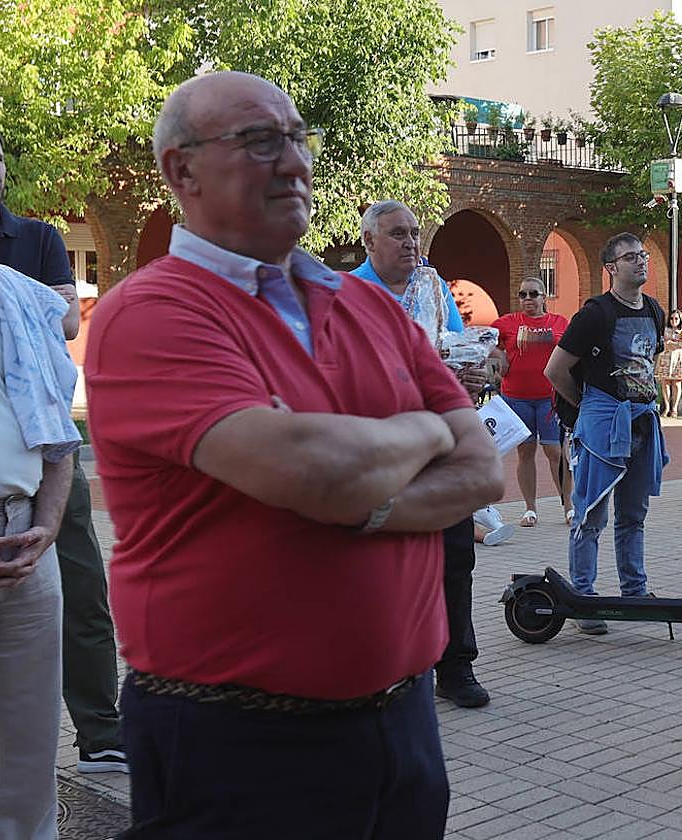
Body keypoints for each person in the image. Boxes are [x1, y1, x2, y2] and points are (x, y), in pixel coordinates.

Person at [84, 72, 503, 837]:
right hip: (235, 740)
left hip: (404, 725)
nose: (293, 161)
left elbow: (481, 469)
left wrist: (361, 500)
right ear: (181, 170)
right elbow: (315, 470)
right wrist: (427, 432)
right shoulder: (151, 311)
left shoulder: (370, 306)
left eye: (297, 138)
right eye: (258, 141)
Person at [0, 120, 125, 774]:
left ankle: (99, 731)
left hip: (46, 450)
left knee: (82, 587)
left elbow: (66, 320)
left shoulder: (35, 238)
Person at [352, 199, 493, 708]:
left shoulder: (433, 288)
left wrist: (473, 374)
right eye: (398, 234)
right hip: (383, 448)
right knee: (385, 563)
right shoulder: (348, 295)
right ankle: (387, 669)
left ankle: (455, 666)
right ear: (369, 240)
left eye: (415, 233)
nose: (411, 243)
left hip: (442, 441)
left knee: (455, 556)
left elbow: (455, 348)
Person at [0, 163, 79, 840]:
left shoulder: (17, 297)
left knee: (29, 743)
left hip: (26, 544)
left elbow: (57, 434)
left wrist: (46, 524)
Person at [544, 232, 667, 635]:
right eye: (632, 257)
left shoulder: (654, 310)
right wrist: (587, 408)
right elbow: (555, 370)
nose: (642, 261)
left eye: (643, 255)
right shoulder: (594, 314)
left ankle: (635, 593)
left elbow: (647, 363)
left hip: (641, 423)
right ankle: (584, 599)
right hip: (603, 427)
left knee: (634, 515)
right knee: (591, 514)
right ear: (611, 268)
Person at [492, 276, 573, 527]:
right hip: (517, 398)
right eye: (523, 294)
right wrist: (498, 360)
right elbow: (484, 340)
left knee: (555, 452)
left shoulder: (559, 322)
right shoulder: (507, 323)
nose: (528, 298)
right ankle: (530, 509)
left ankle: (569, 507)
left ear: (543, 297)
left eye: (533, 294)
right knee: (525, 452)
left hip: (550, 398)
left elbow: (573, 351)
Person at [656, 308, 682, 418]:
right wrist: (671, 343)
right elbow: (662, 343)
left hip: (677, 359)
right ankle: (667, 407)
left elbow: (681, 345)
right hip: (665, 359)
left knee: (676, 383)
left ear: (680, 319)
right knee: (665, 383)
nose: (673, 320)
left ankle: (674, 409)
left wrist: (669, 343)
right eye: (671, 318)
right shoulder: (665, 330)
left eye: (676, 318)